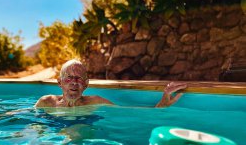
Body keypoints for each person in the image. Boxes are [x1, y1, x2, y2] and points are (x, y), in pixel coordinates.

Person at [35, 59, 187, 108]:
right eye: (69, 78)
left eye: (79, 78)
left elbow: (130, 114)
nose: (74, 83)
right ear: (59, 83)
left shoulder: (96, 102)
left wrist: (162, 103)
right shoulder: (46, 102)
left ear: (86, 84)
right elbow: (25, 119)